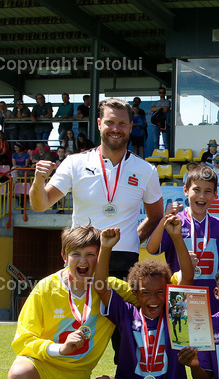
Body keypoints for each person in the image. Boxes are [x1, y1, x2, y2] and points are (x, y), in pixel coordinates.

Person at [5, 226, 127, 379]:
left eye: (91, 254)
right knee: (18, 375)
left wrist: (180, 275)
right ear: (64, 256)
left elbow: (150, 293)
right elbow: (23, 339)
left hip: (74, 374)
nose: (83, 261)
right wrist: (57, 349)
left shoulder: (109, 288)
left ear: (100, 257)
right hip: (43, 363)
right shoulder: (45, 288)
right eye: (76, 254)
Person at [90, 222, 194, 379]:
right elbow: (100, 286)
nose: (154, 299)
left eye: (160, 292)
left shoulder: (176, 312)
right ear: (135, 294)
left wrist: (177, 238)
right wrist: (105, 248)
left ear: (168, 291)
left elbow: (187, 276)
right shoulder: (126, 312)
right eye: (146, 293)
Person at [29, 97, 163, 281]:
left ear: (131, 127)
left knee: (119, 311)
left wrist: (132, 239)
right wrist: (38, 181)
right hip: (83, 256)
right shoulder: (75, 163)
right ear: (99, 124)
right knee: (81, 311)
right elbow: (40, 204)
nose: (116, 129)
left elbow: (155, 216)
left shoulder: (146, 170)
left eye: (122, 123)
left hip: (124, 261)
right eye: (110, 122)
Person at [146, 164, 219, 300]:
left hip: (211, 299)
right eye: (196, 189)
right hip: (179, 297)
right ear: (185, 190)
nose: (202, 196)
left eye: (208, 191)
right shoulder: (175, 222)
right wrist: (164, 220)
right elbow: (151, 249)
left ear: (215, 194)